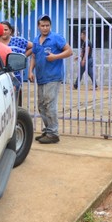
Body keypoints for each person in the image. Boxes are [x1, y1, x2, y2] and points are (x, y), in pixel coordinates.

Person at [28, 15, 73, 144]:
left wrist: (55, 57)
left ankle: (53, 133)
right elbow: (34, 56)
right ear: (38, 26)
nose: (45, 28)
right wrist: (30, 71)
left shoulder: (56, 38)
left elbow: (69, 51)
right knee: (41, 105)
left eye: (47, 25)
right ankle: (48, 130)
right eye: (42, 25)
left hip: (53, 77)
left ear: (50, 26)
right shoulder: (36, 40)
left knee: (49, 104)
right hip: (41, 77)